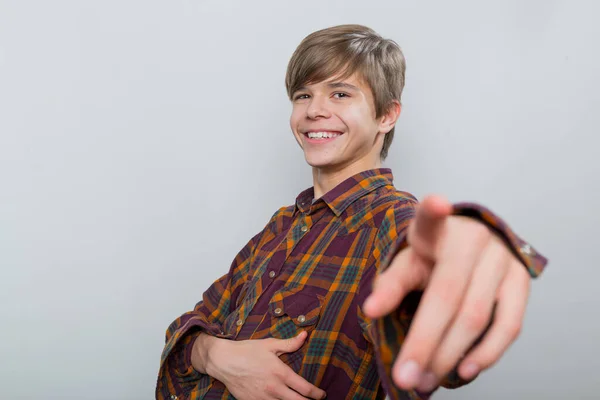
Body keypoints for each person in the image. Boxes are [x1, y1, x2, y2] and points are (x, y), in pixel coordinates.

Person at [155, 24, 547, 400]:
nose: (313, 111)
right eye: (303, 95)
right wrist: (216, 355)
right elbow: (185, 331)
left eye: (340, 94)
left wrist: (474, 252)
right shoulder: (280, 226)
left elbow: (441, 332)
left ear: (386, 116)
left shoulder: (393, 223)